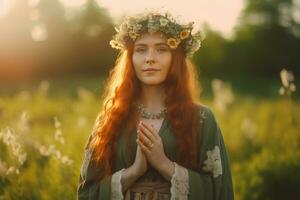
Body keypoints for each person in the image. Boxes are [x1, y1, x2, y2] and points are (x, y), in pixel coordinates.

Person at [77, 10, 234, 200]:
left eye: (161, 49)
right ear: (131, 58)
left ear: (175, 58)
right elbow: (87, 193)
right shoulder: (110, 119)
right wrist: (134, 172)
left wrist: (165, 164)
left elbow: (219, 190)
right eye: (141, 49)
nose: (150, 58)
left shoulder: (201, 119)